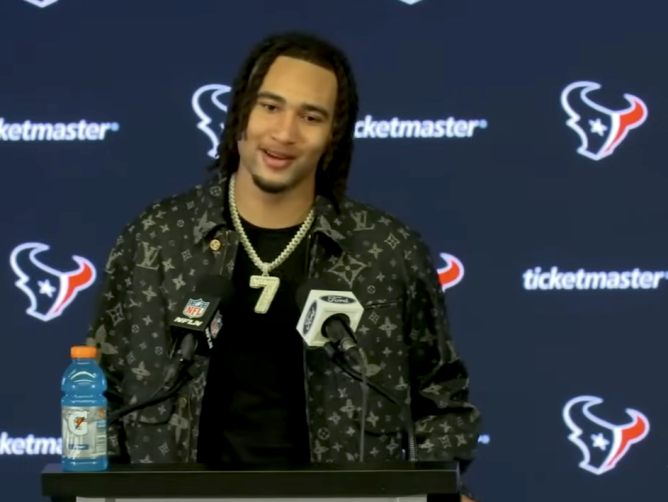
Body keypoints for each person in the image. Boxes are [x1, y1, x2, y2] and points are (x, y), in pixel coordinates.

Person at [86, 31, 482, 502]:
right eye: (270, 107)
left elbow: (441, 400)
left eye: (310, 116)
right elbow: (100, 391)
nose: (284, 133)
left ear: (333, 136)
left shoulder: (388, 251)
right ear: (240, 115)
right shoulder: (156, 239)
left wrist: (436, 491)